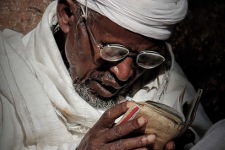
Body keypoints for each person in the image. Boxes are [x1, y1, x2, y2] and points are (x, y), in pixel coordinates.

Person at [0, 0, 216, 149]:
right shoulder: (8, 73)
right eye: (112, 51)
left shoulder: (164, 77)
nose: (124, 74)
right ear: (67, 15)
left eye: (145, 57)